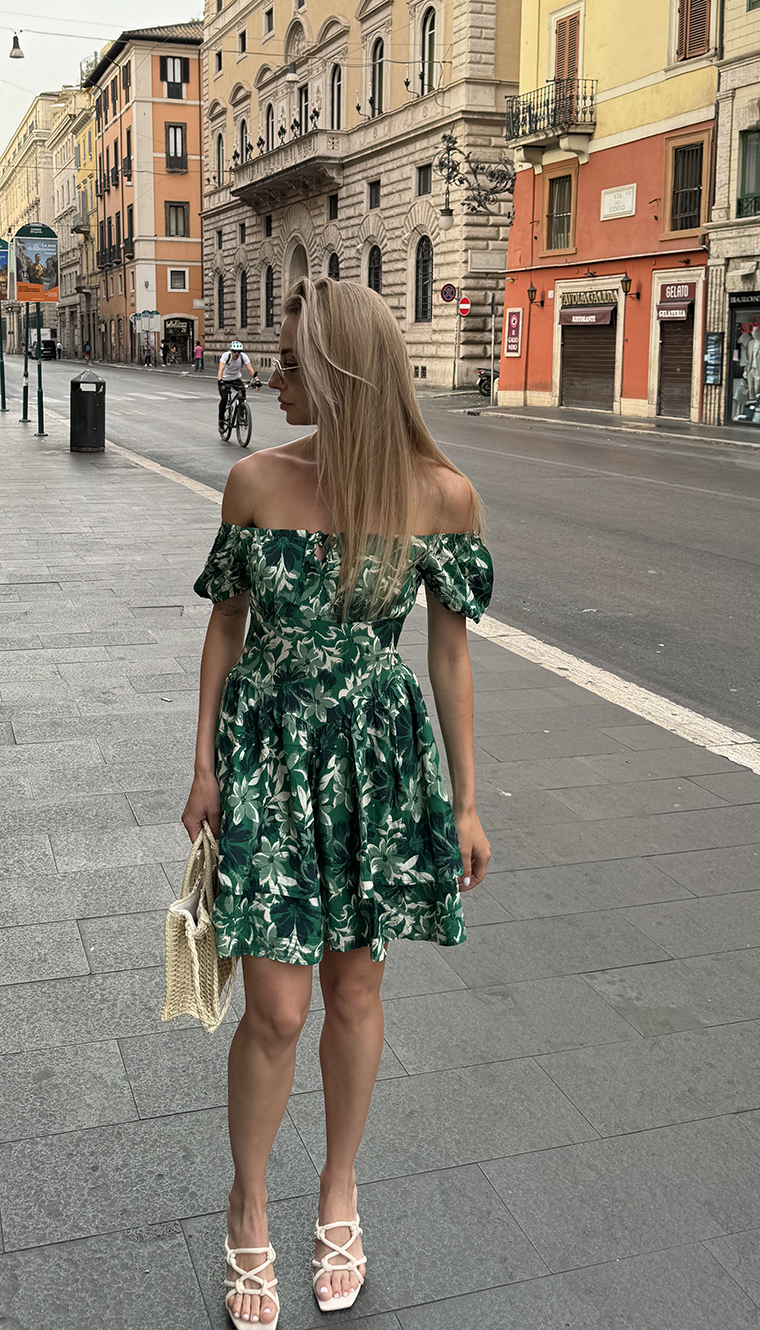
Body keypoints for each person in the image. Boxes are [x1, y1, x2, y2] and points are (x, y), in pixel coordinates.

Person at [182, 278, 493, 1330]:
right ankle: (250, 1204)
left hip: (376, 761)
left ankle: (339, 1191)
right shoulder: (255, 483)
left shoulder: (440, 496)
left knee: (356, 994)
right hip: (267, 755)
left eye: (286, 363)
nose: (268, 377)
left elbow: (448, 656)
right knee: (275, 1007)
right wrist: (203, 768)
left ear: (340, 370)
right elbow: (225, 625)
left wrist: (463, 804)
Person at [217, 340, 256, 429]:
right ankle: (221, 421)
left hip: (236, 379)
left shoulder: (243, 357)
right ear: (231, 351)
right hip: (225, 380)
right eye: (234, 351)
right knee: (224, 398)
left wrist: (256, 380)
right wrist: (220, 380)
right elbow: (221, 369)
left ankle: (241, 414)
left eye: (239, 352)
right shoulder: (226, 356)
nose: (237, 354)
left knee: (242, 393)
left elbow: (250, 369)